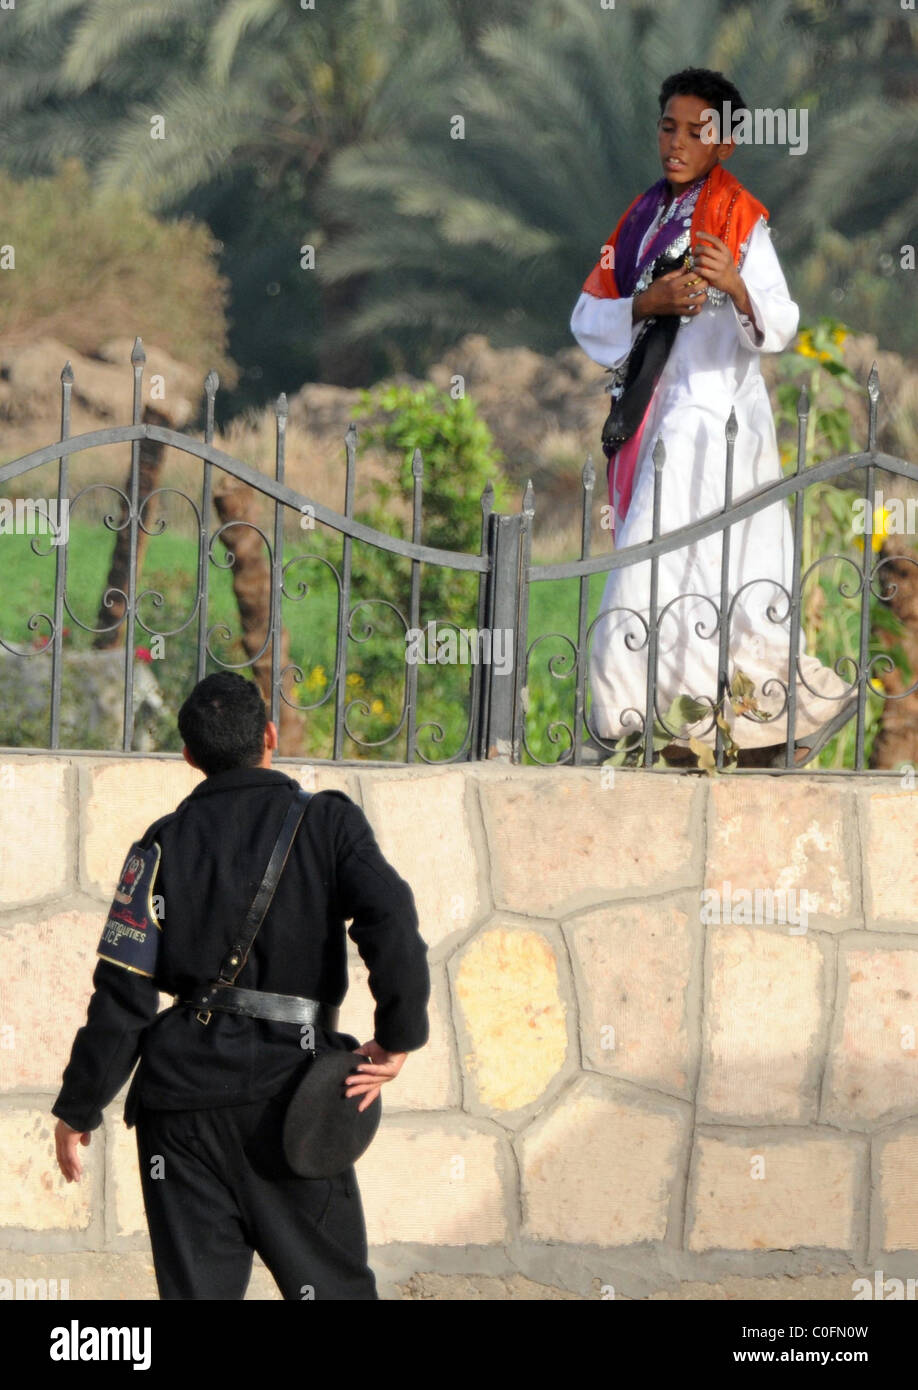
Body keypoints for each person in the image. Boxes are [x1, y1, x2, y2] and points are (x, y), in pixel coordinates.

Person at [52, 671, 430, 1300]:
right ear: (270, 736)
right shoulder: (330, 823)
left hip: (179, 1109)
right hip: (296, 1099)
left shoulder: (158, 847)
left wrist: (79, 1105)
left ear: (190, 756)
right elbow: (391, 916)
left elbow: (122, 993)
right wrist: (397, 1037)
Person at [571, 67, 855, 765]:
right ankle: (678, 733)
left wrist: (731, 283)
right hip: (659, 425)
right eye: (668, 126)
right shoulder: (640, 220)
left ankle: (716, 725)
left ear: (723, 143)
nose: (676, 143)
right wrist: (649, 301)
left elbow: (781, 321)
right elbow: (586, 315)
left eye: (696, 131)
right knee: (657, 576)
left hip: (724, 425)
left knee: (729, 581)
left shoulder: (740, 218)